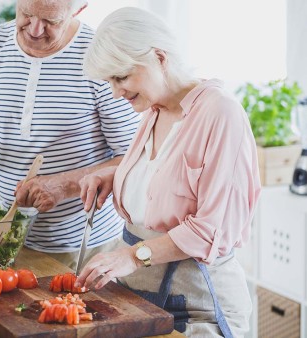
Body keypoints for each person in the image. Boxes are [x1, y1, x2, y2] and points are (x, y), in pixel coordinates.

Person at [74, 7, 261, 338]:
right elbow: (166, 180)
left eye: (121, 77)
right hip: (141, 296)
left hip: (199, 304)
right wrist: (117, 177)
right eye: (110, 81)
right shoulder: (155, 110)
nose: (116, 92)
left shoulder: (220, 113)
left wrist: (133, 256)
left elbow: (208, 230)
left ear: (159, 57)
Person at [0, 0, 140, 269]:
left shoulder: (101, 58)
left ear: (79, 8)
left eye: (51, 21)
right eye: (27, 14)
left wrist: (64, 184)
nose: (35, 30)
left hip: (87, 249)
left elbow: (135, 158)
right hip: (8, 243)